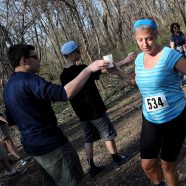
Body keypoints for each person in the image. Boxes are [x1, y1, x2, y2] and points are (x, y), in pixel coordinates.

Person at [108, 18, 186, 186]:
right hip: (151, 118)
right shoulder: (139, 59)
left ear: (155, 35)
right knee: (147, 165)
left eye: (149, 38)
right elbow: (136, 81)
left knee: (167, 165)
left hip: (175, 117)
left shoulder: (170, 56)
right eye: (140, 40)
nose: (145, 44)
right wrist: (118, 72)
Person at [3, 44, 111, 186]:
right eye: (35, 57)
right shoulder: (30, 80)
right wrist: (89, 69)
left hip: (33, 148)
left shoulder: (8, 88)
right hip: (52, 145)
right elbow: (64, 93)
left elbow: (12, 122)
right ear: (24, 60)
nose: (39, 60)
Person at [59, 41, 134, 177]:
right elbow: (105, 70)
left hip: (82, 115)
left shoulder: (63, 75)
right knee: (108, 135)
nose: (80, 53)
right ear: (70, 55)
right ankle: (116, 158)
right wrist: (125, 61)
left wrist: (123, 61)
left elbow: (103, 70)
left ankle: (91, 166)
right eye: (77, 52)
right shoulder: (82, 68)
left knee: (89, 139)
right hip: (95, 110)